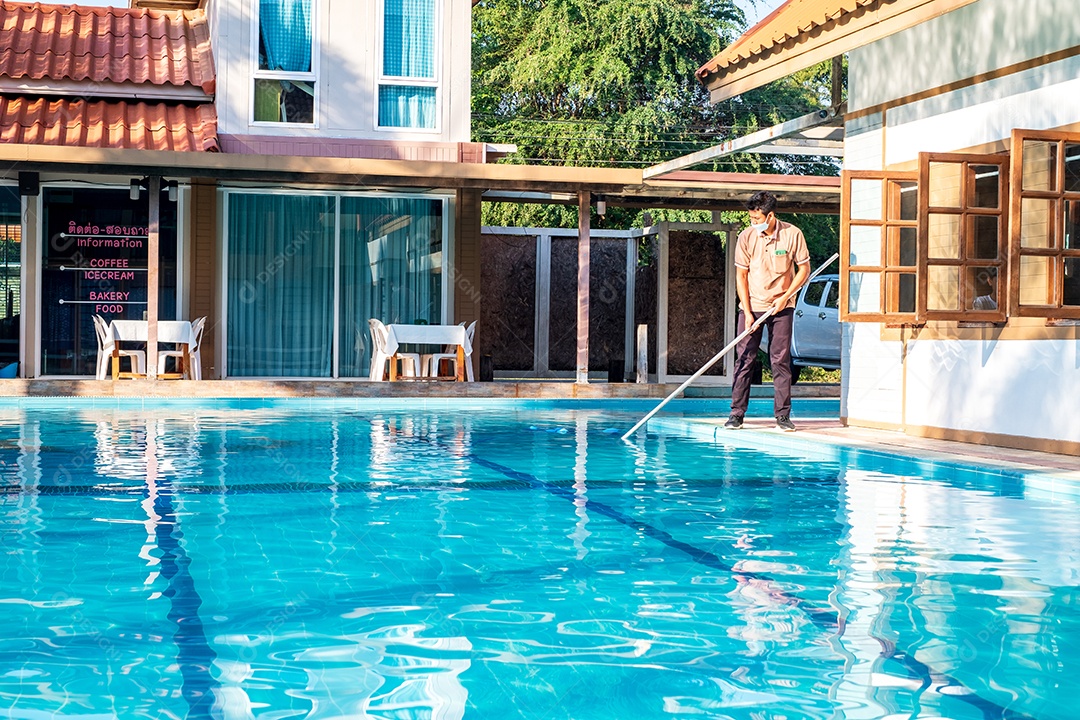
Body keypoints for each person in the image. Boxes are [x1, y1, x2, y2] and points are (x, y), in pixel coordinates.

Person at [725, 191, 810, 432]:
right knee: (744, 359)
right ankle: (736, 414)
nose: (753, 222)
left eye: (757, 218)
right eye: (751, 218)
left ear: (770, 216)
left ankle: (783, 416)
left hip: (782, 307)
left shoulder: (792, 234)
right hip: (752, 306)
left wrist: (785, 297)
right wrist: (748, 312)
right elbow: (741, 276)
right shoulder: (746, 237)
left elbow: (804, 270)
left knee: (780, 360)